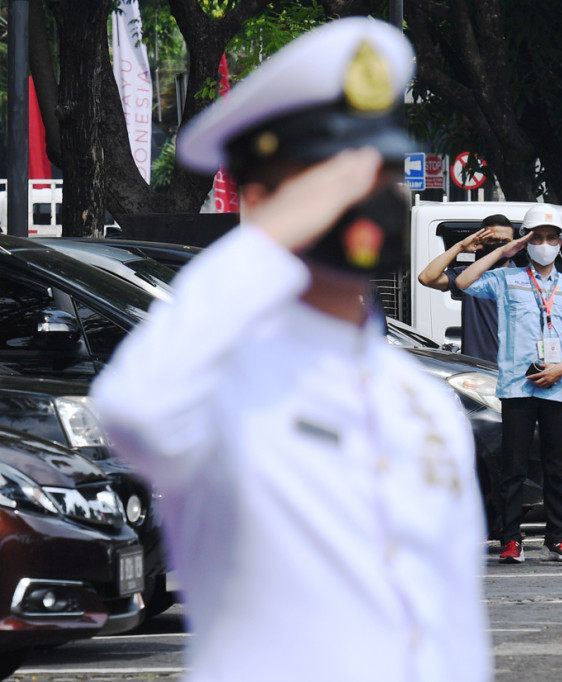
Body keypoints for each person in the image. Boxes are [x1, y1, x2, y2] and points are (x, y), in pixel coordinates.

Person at [89, 18, 490, 682]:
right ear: (264, 197)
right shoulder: (218, 377)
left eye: (382, 170)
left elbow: (450, 623)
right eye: (337, 174)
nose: (371, 192)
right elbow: (133, 410)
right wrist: (270, 236)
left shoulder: (418, 399)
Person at [456, 204, 562, 564]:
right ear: (527, 240)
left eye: (551, 238)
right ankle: (511, 538)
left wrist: (560, 369)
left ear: (561, 244)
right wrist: (505, 250)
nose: (544, 244)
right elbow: (463, 281)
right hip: (517, 387)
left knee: (554, 467)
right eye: (537, 237)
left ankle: (557, 538)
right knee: (513, 466)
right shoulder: (506, 279)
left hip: (558, 387)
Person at [416, 214, 514, 362]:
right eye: (493, 240)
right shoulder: (466, 276)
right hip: (477, 369)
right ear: (482, 242)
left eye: (505, 241)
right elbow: (426, 277)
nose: (499, 246)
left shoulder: (524, 279)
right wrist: (461, 246)